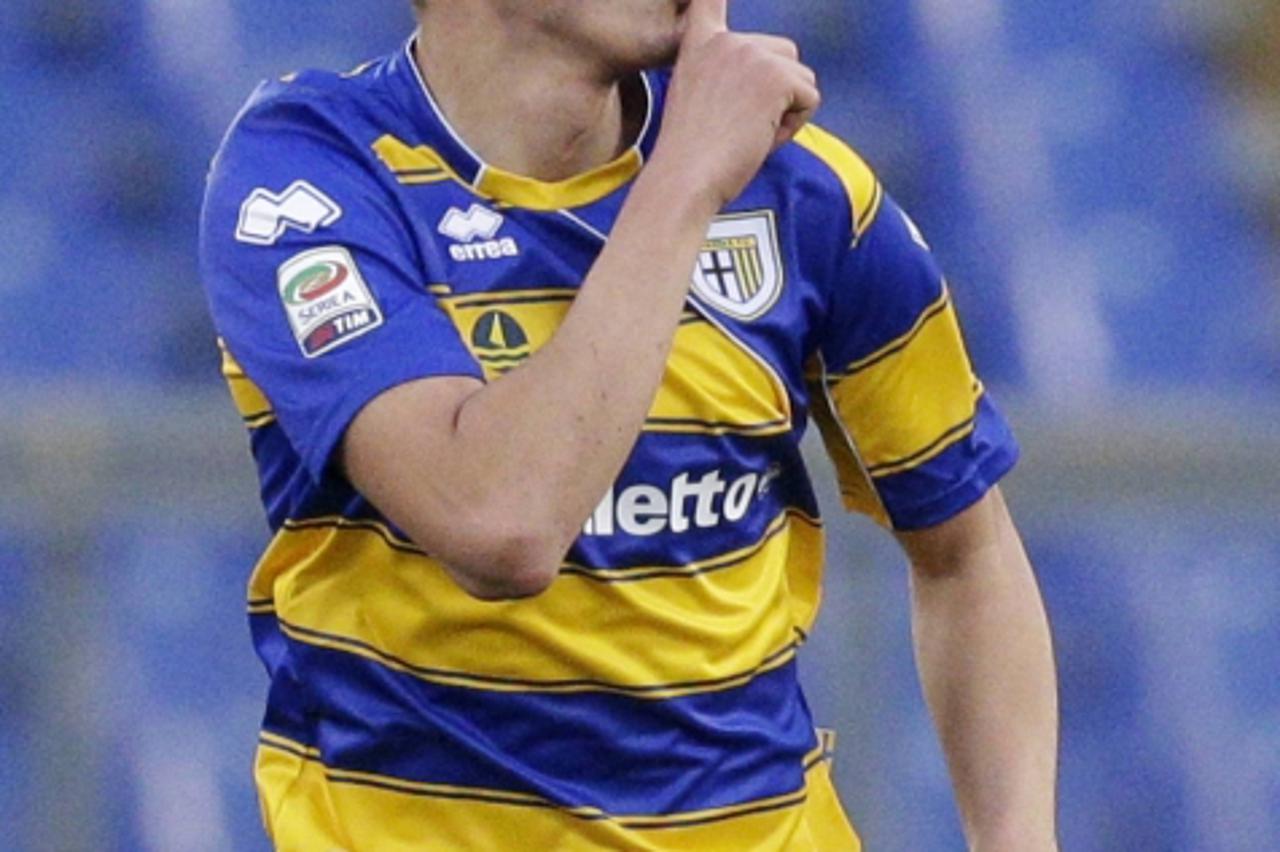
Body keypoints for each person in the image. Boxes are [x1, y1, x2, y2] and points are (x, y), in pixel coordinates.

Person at [199, 0, 1060, 848]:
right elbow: (499, 522)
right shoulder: (306, 179)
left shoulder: (806, 191)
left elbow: (965, 552)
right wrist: (687, 179)